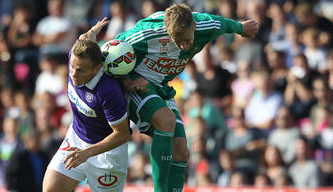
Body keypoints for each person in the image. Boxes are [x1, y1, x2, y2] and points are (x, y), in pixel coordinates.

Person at [115, 3, 258, 192]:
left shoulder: (207, 25)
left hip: (162, 88)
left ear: (193, 27)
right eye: (177, 40)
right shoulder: (147, 32)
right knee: (166, 122)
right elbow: (112, 51)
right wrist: (127, 80)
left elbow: (224, 24)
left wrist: (242, 28)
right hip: (139, 86)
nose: (183, 45)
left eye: (186, 39)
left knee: (182, 152)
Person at [42, 18, 131, 192]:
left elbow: (122, 134)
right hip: (76, 141)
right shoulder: (74, 58)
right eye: (72, 67)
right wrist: (93, 31)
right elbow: (84, 38)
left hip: (107, 155)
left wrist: (88, 152)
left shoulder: (108, 91)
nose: (73, 74)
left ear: (97, 68)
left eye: (80, 69)